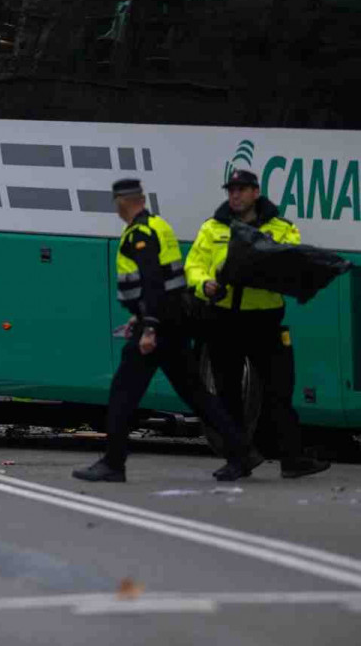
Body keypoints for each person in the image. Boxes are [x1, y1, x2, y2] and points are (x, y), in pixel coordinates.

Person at [74, 179, 253, 483]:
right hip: (172, 322)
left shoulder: (139, 234)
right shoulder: (159, 226)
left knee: (122, 394)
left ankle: (113, 463)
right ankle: (241, 452)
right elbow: (169, 282)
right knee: (196, 394)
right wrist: (141, 317)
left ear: (121, 202)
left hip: (158, 329)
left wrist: (149, 327)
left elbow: (154, 282)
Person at [185, 168, 330, 479]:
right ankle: (238, 460)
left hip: (265, 321)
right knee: (228, 394)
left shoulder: (282, 228)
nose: (235, 195)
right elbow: (193, 267)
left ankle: (292, 459)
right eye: (231, 190)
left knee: (279, 391)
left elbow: (290, 263)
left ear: (256, 192)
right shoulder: (212, 229)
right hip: (224, 320)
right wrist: (205, 284)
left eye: (242, 189)